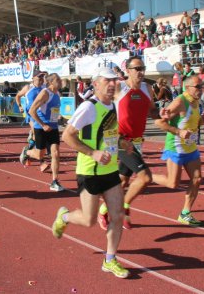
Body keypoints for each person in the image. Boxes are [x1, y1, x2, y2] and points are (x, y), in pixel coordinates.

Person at [51, 67, 130, 279]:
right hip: (89, 171)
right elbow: (67, 135)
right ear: (95, 84)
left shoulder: (112, 105)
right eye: (107, 80)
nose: (112, 84)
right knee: (89, 220)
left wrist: (122, 142)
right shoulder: (88, 107)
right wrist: (92, 153)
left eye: (114, 80)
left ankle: (110, 260)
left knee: (117, 215)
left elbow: (108, 135)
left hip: (110, 170)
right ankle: (64, 217)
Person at [99, 57, 160, 230]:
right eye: (137, 68)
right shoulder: (119, 87)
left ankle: (104, 209)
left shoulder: (148, 88)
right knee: (145, 177)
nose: (141, 72)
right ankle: (122, 209)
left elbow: (152, 112)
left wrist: (164, 114)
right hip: (120, 140)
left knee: (123, 181)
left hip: (136, 140)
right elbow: (100, 104)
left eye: (143, 68)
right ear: (128, 70)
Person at [152, 75, 204, 226]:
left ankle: (185, 213)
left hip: (191, 148)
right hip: (176, 147)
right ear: (188, 88)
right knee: (172, 184)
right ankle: (148, 176)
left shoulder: (196, 101)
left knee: (197, 179)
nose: (201, 90)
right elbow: (159, 122)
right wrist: (178, 132)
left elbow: (191, 122)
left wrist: (203, 121)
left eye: (202, 86)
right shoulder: (179, 102)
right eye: (198, 87)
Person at [20, 73, 64, 191]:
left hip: (53, 128)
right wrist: (43, 124)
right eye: (57, 79)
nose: (60, 81)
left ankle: (54, 181)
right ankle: (27, 152)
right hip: (41, 128)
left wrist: (58, 116)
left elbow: (53, 110)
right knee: (40, 154)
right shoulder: (45, 93)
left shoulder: (57, 94)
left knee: (55, 153)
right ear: (50, 82)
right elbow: (32, 111)